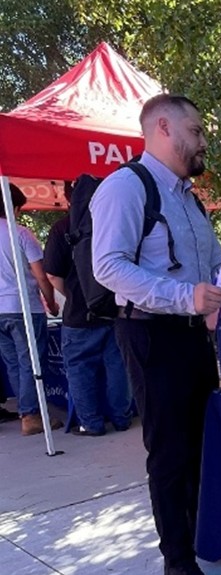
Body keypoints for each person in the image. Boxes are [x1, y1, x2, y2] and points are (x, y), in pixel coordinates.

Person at [90, 94, 221, 575]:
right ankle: (178, 562)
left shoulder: (189, 198)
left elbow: (213, 262)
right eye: (196, 130)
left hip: (193, 334)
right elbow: (109, 266)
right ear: (164, 128)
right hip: (151, 334)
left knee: (201, 442)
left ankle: (201, 536)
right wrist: (184, 296)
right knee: (170, 451)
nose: (203, 140)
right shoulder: (126, 187)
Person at [44, 182, 134, 436]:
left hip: (79, 314)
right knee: (118, 367)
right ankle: (122, 418)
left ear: (67, 198)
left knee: (79, 370)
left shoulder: (62, 227)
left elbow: (52, 275)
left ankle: (91, 424)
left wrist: (73, 295)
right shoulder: (115, 222)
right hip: (115, 308)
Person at [0, 183, 62, 435]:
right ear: (13, 207)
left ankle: (27, 411)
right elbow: (41, 275)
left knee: (13, 363)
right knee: (31, 362)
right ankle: (31, 414)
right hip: (22, 306)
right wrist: (51, 302)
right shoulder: (20, 234)